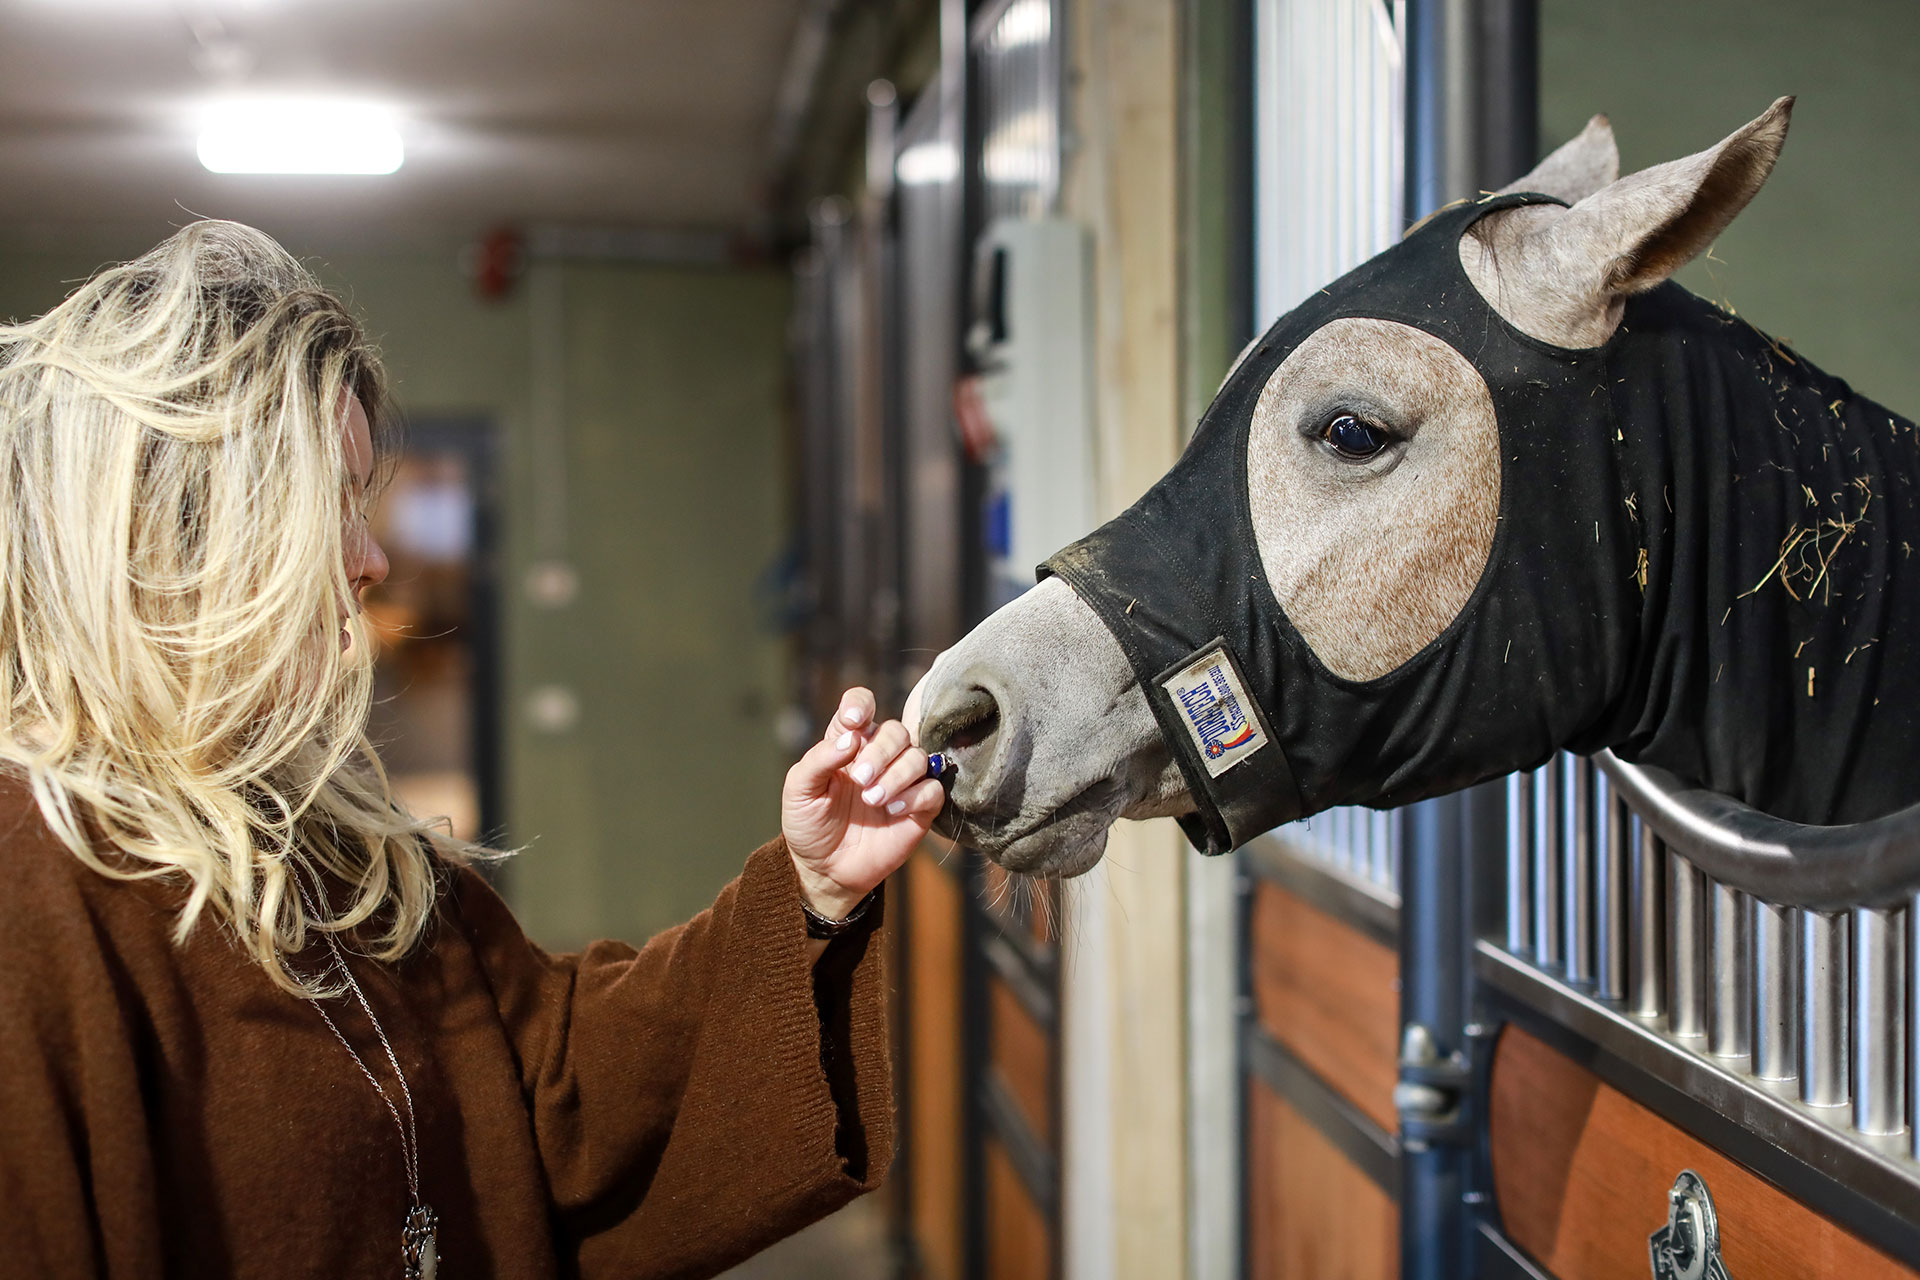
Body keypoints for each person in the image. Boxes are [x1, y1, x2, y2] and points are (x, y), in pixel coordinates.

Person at [0, 220, 943, 1278]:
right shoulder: (35, 889)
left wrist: (808, 888)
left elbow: (548, 1086)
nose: (372, 556)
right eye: (328, 505)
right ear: (171, 530)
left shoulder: (329, 837)